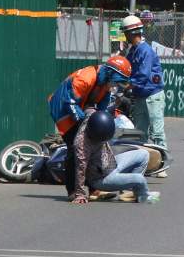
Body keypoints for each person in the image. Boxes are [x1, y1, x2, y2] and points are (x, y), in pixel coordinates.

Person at [48, 55, 132, 199]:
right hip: (64, 110)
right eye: (117, 81)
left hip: (80, 108)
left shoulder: (105, 83)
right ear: (110, 73)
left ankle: (94, 189)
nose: (116, 85)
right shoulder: (86, 78)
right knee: (75, 148)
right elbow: (70, 102)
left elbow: (103, 106)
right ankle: (73, 191)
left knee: (95, 145)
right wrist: (85, 122)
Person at [69, 110, 159, 206]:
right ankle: (143, 196)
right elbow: (80, 170)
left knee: (143, 154)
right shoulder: (82, 145)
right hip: (101, 178)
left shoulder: (92, 116)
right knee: (140, 179)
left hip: (111, 161)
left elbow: (89, 109)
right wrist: (80, 194)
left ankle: (130, 191)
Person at [121, 14, 167, 151]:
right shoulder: (133, 51)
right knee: (140, 133)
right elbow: (125, 67)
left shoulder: (145, 50)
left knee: (157, 133)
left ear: (131, 33)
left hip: (153, 96)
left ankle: (162, 164)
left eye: (125, 33)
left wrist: (127, 85)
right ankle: (143, 161)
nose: (125, 36)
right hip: (140, 96)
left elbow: (143, 74)